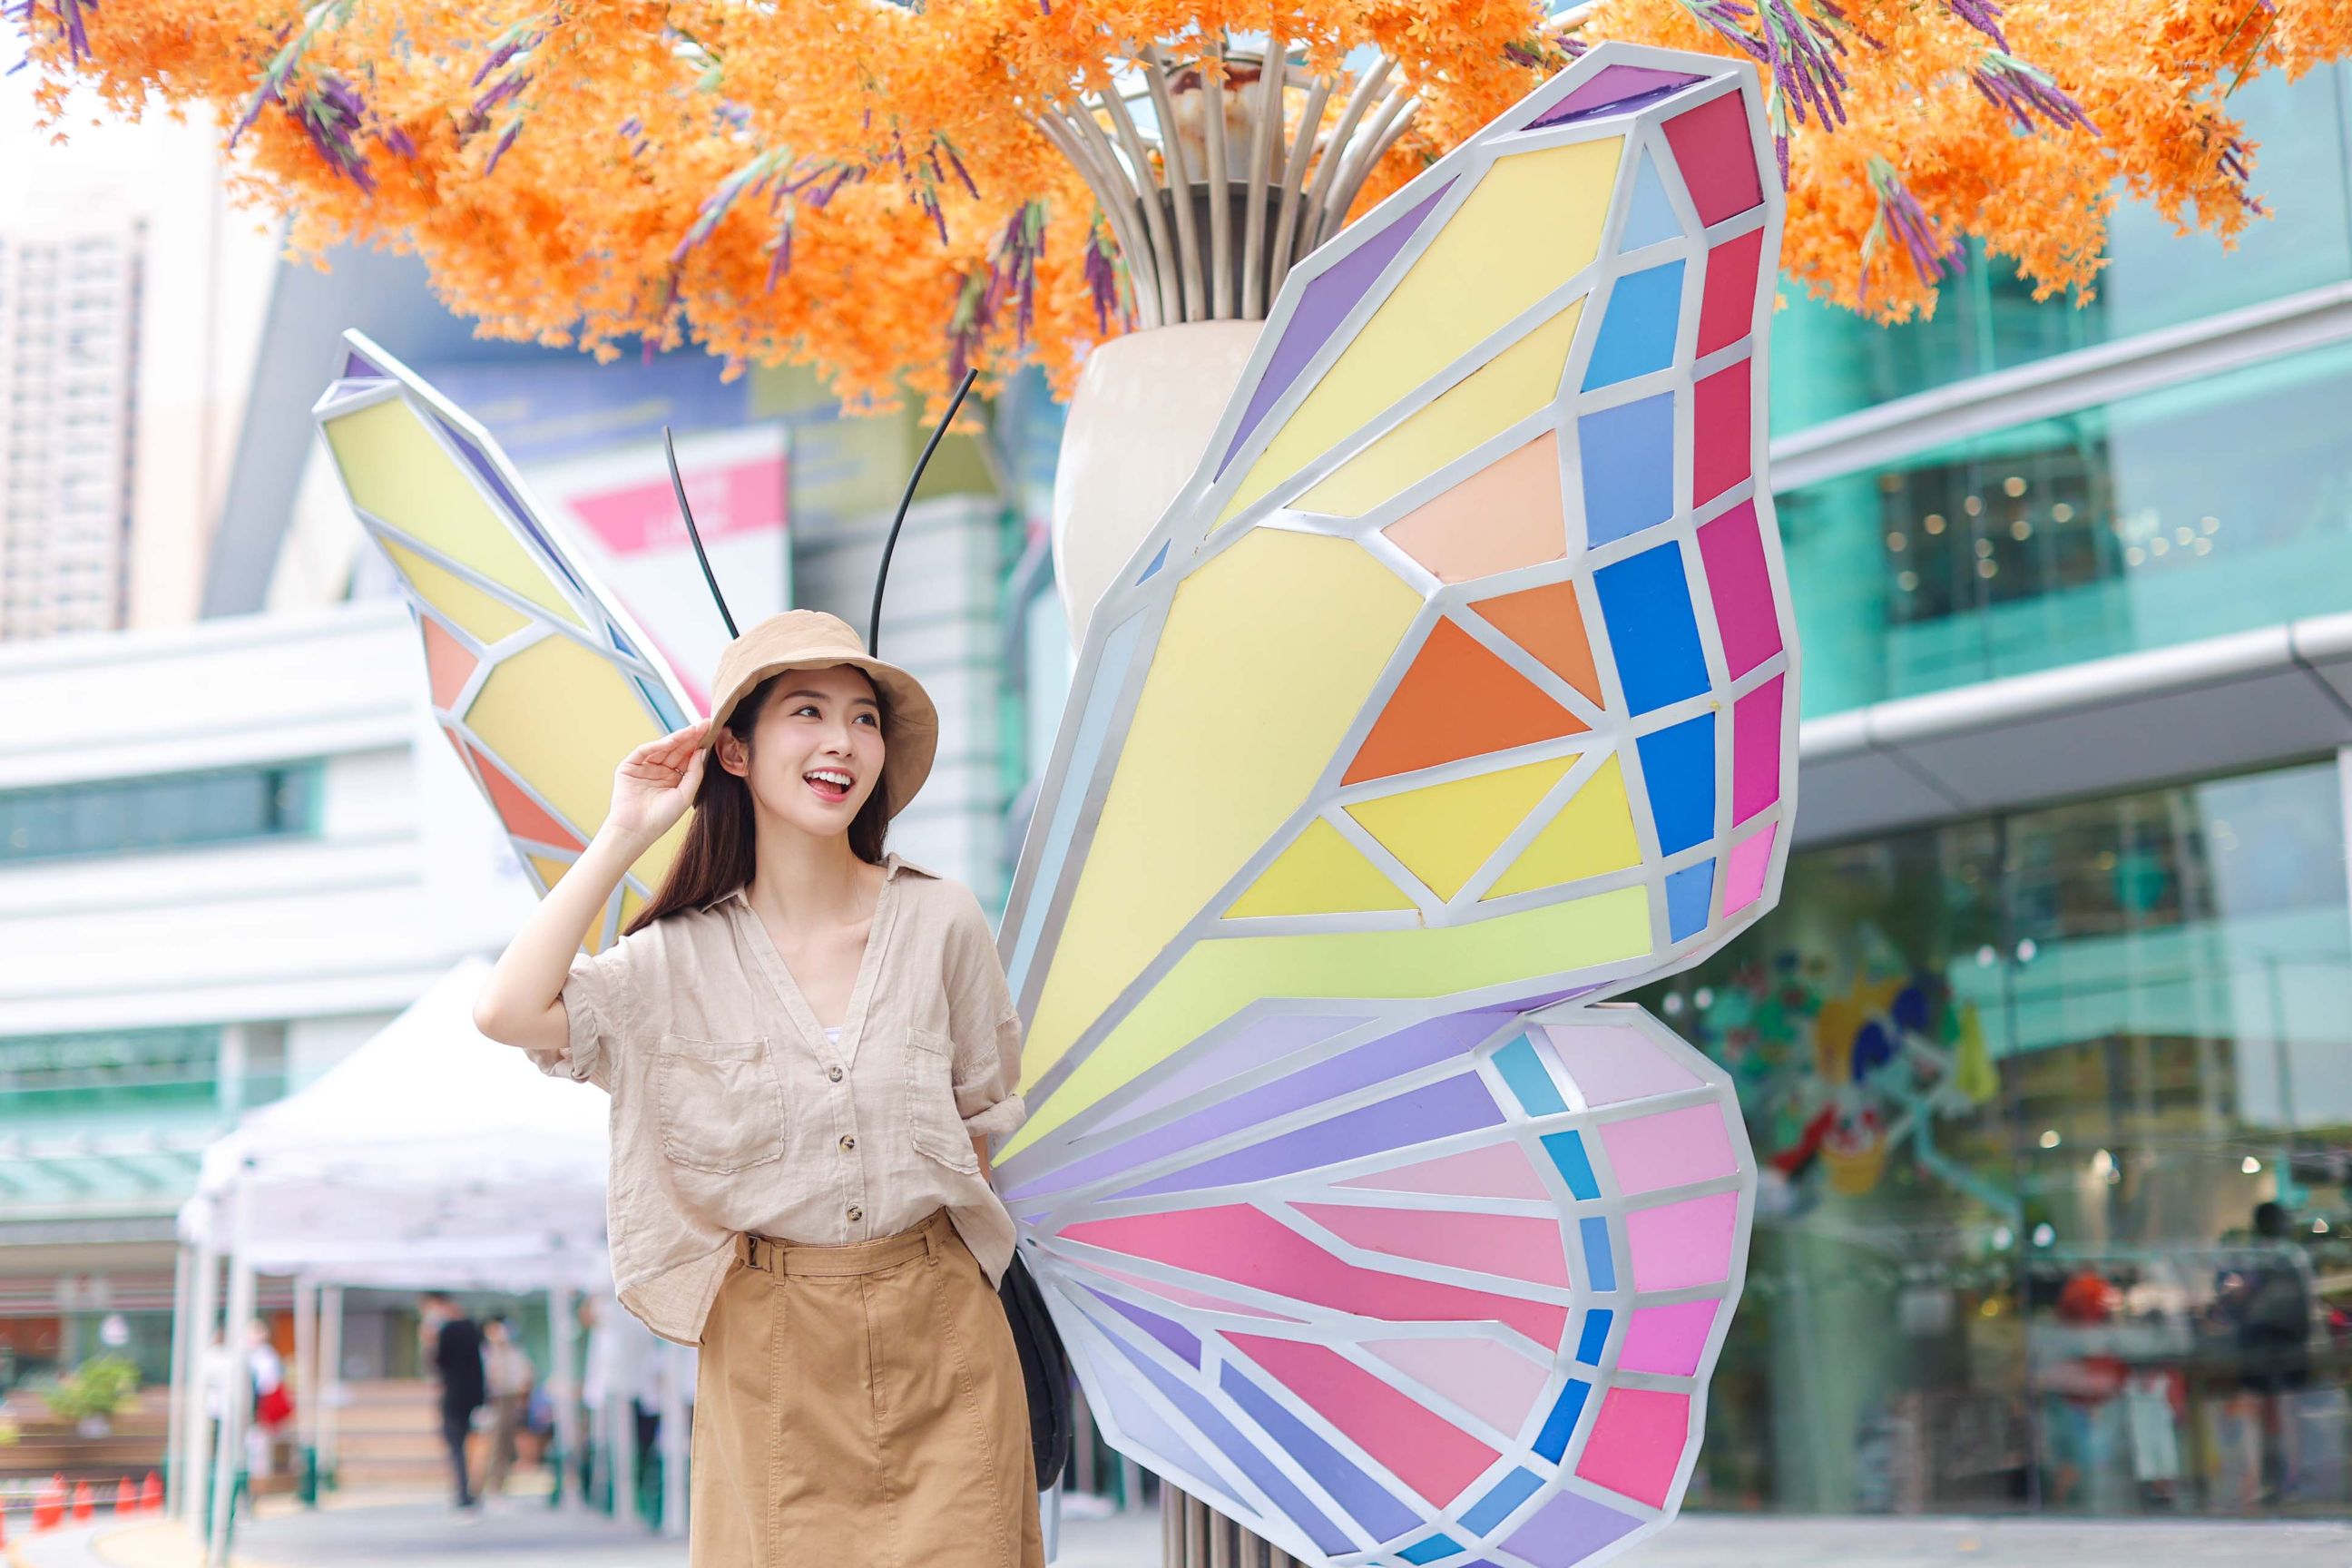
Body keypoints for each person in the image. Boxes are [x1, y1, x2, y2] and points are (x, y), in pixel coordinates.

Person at [474, 611, 1041, 1568]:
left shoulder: (941, 918)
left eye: (863, 719)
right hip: (774, 1351)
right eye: (808, 712)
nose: (841, 742)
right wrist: (624, 832)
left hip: (947, 1337)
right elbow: (509, 1010)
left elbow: (982, 1122)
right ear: (731, 751)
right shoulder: (671, 962)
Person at [419, 1292, 487, 1515]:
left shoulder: (447, 1331)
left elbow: (438, 1363)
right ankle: (471, 1490)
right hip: (473, 1396)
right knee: (472, 1444)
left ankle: (464, 1491)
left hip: (455, 1395)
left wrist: (430, 1340)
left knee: (456, 1444)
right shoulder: (473, 1328)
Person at [480, 1315, 535, 1499]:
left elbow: (524, 1375)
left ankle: (500, 1486)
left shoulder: (514, 1352)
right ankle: (490, 1487)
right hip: (496, 1401)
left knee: (505, 1447)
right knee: (495, 1446)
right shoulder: (488, 1352)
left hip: (511, 1399)